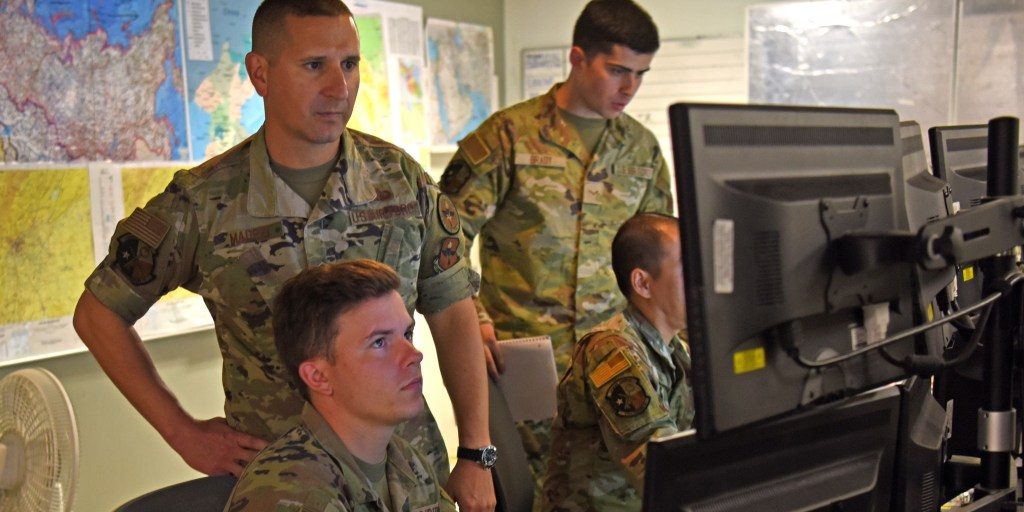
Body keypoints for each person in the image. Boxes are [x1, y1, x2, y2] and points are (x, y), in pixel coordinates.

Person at [72, 1, 495, 509]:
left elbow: (452, 310)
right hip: (285, 487)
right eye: (314, 65)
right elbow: (98, 314)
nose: (339, 88)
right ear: (261, 73)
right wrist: (182, 432)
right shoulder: (204, 204)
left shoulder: (399, 182)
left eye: (350, 64)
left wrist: (477, 450)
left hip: (407, 475)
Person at [438, 0, 672, 483]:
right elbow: (442, 239)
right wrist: (473, 316)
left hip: (617, 362)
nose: (629, 88)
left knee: (608, 493)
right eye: (617, 70)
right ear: (577, 57)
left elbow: (667, 259)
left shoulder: (641, 150)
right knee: (531, 493)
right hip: (524, 362)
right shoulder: (507, 137)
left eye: (641, 74)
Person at [225, 259, 455, 511]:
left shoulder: (407, 461)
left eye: (406, 334)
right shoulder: (290, 495)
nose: (413, 354)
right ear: (318, 377)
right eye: (379, 342)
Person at [540, 213, 693, 512]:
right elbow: (661, 473)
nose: (702, 280)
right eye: (687, 268)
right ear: (643, 283)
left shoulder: (675, 349)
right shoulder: (611, 350)